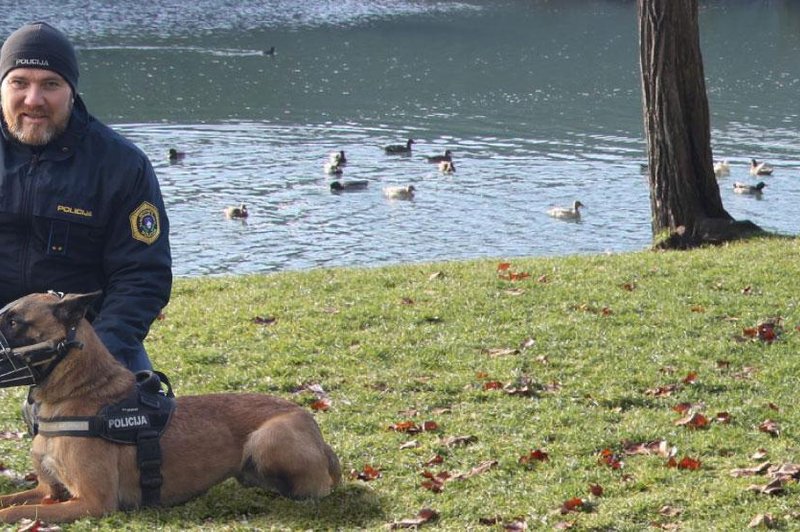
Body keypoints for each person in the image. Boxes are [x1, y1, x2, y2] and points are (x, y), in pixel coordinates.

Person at [0, 21, 172, 373]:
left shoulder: (122, 164)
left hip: (83, 337)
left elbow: (142, 276)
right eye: (19, 82)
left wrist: (99, 352)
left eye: (50, 84)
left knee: (141, 419)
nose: (34, 99)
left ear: (72, 92)